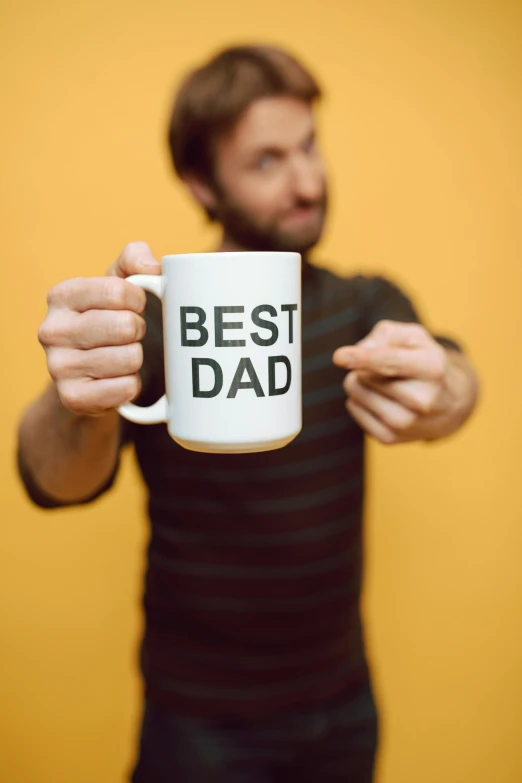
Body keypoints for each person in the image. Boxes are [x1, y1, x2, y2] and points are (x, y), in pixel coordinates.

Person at [17, 45, 479, 783]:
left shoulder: (363, 307)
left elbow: (449, 374)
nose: (307, 181)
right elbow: (50, 480)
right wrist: (80, 399)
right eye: (267, 162)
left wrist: (449, 385)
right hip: (197, 724)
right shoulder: (157, 324)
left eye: (308, 146)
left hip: (343, 704)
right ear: (203, 185)